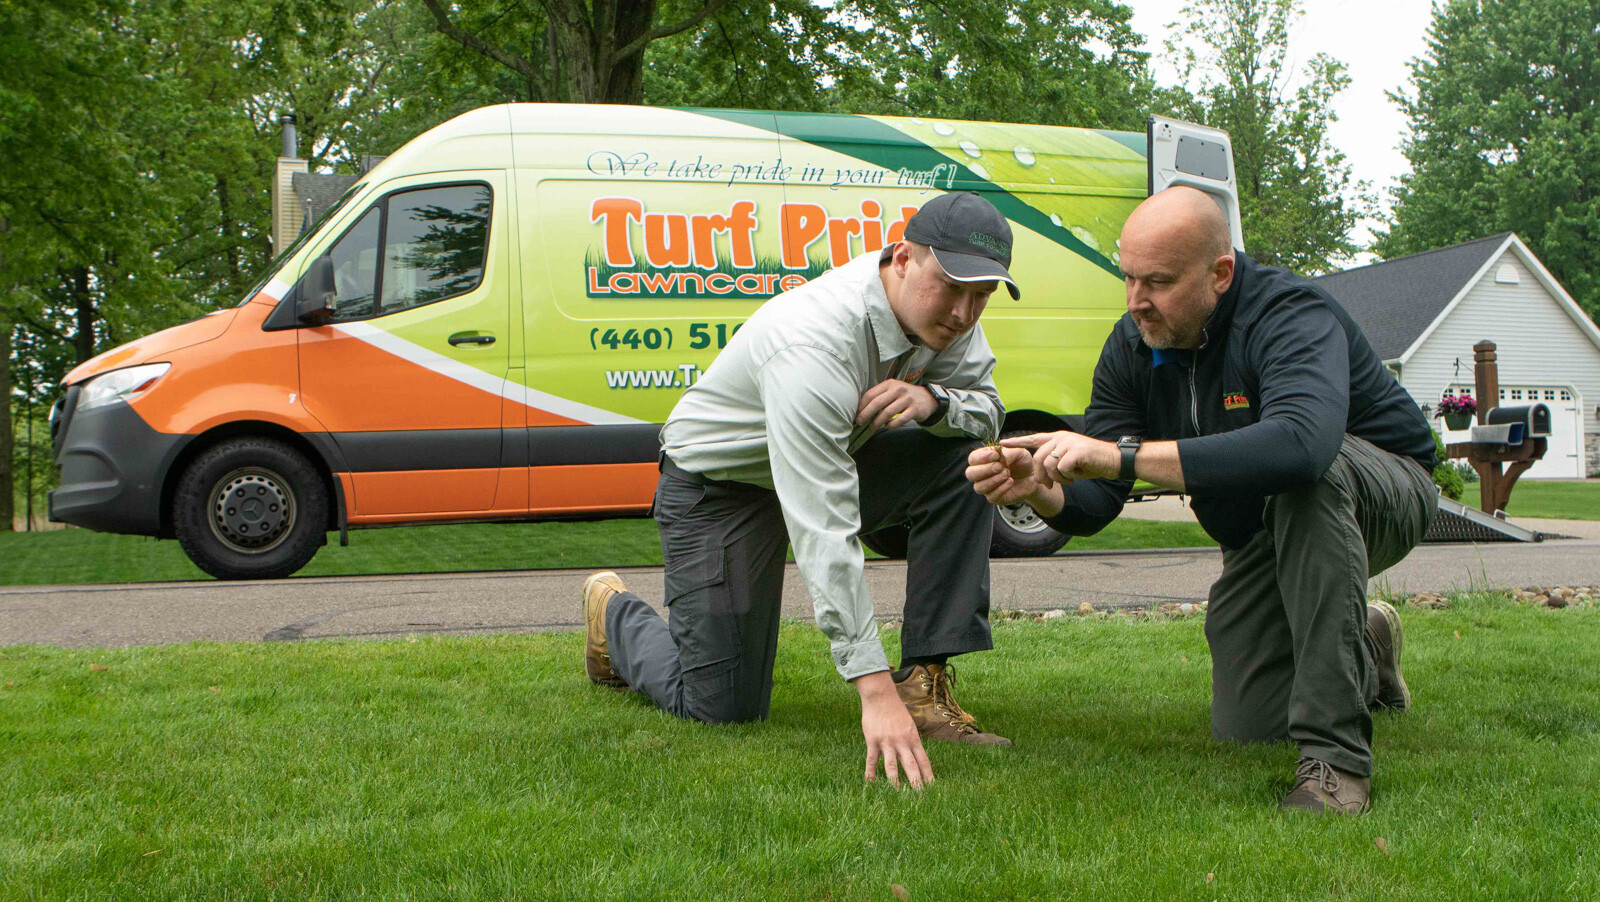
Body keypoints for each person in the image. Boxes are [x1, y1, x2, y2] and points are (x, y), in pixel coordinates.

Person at [967, 186, 1437, 814]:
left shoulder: (1290, 315)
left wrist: (1123, 457)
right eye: (1128, 277)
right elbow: (1100, 497)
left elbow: (1302, 445)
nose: (1137, 301)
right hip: (1261, 526)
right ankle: (1368, 645)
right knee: (1248, 724)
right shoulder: (1133, 344)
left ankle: (1335, 761)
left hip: (1382, 489)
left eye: (1156, 281)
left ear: (1220, 273)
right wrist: (1046, 494)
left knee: (1311, 481)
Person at [583, 191, 1020, 790]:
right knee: (720, 708)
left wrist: (935, 401)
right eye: (951, 286)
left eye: (983, 295)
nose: (965, 312)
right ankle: (615, 617)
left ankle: (922, 687)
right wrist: (871, 690)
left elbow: (991, 413)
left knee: (966, 459)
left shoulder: (950, 325)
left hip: (838, 458)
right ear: (901, 257)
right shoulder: (813, 343)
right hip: (720, 490)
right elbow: (825, 527)